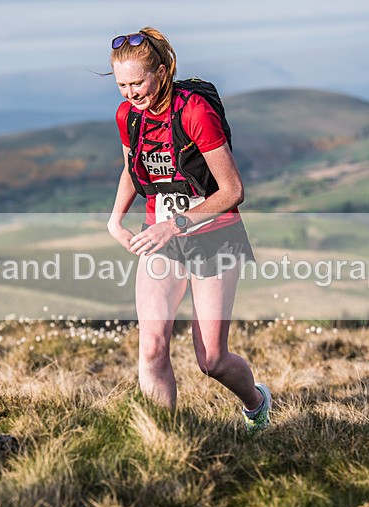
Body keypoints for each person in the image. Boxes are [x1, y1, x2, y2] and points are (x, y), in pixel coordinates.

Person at [105, 27, 271, 433]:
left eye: (137, 82)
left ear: (161, 72)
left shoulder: (195, 111)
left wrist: (175, 224)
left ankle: (256, 403)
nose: (130, 93)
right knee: (152, 347)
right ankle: (163, 441)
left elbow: (233, 191)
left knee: (212, 359)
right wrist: (115, 219)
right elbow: (134, 168)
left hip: (215, 236)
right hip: (160, 239)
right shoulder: (129, 116)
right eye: (121, 84)